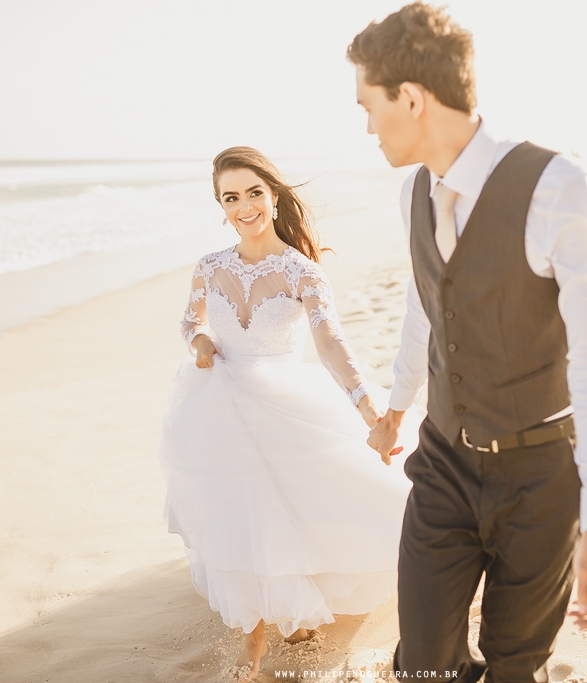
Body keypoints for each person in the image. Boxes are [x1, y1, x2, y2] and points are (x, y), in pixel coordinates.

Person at [347, 4, 587, 682]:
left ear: (412, 98)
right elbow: (428, 304)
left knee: (515, 665)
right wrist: (396, 405)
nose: (365, 125)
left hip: (540, 478)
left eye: (368, 106)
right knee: (423, 663)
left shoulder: (557, 186)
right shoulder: (413, 193)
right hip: (444, 462)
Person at [158, 146, 418, 682]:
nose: (244, 205)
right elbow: (190, 321)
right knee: (241, 505)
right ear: (221, 205)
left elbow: (332, 347)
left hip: (285, 396)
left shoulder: (302, 271)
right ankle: (255, 631)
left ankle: (294, 606)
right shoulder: (210, 266)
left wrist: (372, 413)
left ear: (273, 197)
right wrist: (202, 339)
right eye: (231, 197)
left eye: (254, 192)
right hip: (220, 398)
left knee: (299, 503)